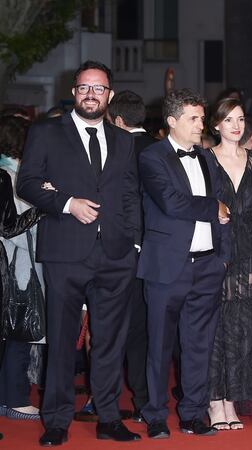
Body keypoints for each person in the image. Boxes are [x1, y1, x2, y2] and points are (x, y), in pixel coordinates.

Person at [17, 60, 142, 445]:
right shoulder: (46, 131)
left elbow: (130, 194)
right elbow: (28, 183)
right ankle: (56, 421)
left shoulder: (124, 140)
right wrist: (68, 203)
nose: (91, 94)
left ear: (109, 95)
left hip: (116, 255)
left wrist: (134, 244)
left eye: (98, 88)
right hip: (65, 253)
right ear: (74, 92)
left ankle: (108, 417)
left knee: (110, 343)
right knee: (61, 340)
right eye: (85, 87)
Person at [137, 88, 231, 439]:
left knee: (199, 346)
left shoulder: (206, 157)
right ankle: (155, 414)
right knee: (159, 346)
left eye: (202, 118)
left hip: (207, 266)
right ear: (172, 121)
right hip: (166, 267)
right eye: (193, 118)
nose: (200, 125)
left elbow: (224, 207)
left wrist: (222, 258)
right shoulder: (152, 156)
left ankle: (193, 413)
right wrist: (212, 208)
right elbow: (171, 202)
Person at [206, 98, 252, 430]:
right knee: (215, 325)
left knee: (242, 325)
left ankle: (232, 399)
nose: (235, 125)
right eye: (228, 119)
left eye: (240, 119)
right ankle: (214, 400)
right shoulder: (205, 159)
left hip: (248, 251)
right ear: (216, 125)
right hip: (215, 247)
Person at [107, 89, 158, 422]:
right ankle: (147, 399)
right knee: (151, 328)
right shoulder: (162, 149)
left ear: (118, 120)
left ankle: (113, 399)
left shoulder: (114, 150)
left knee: (116, 327)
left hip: (121, 250)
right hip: (160, 251)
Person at [0, 116, 43, 422]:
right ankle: (15, 398)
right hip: (16, 267)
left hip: (14, 264)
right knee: (20, 330)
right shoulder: (9, 177)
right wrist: (43, 205)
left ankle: (9, 397)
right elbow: (10, 228)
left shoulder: (10, 173)